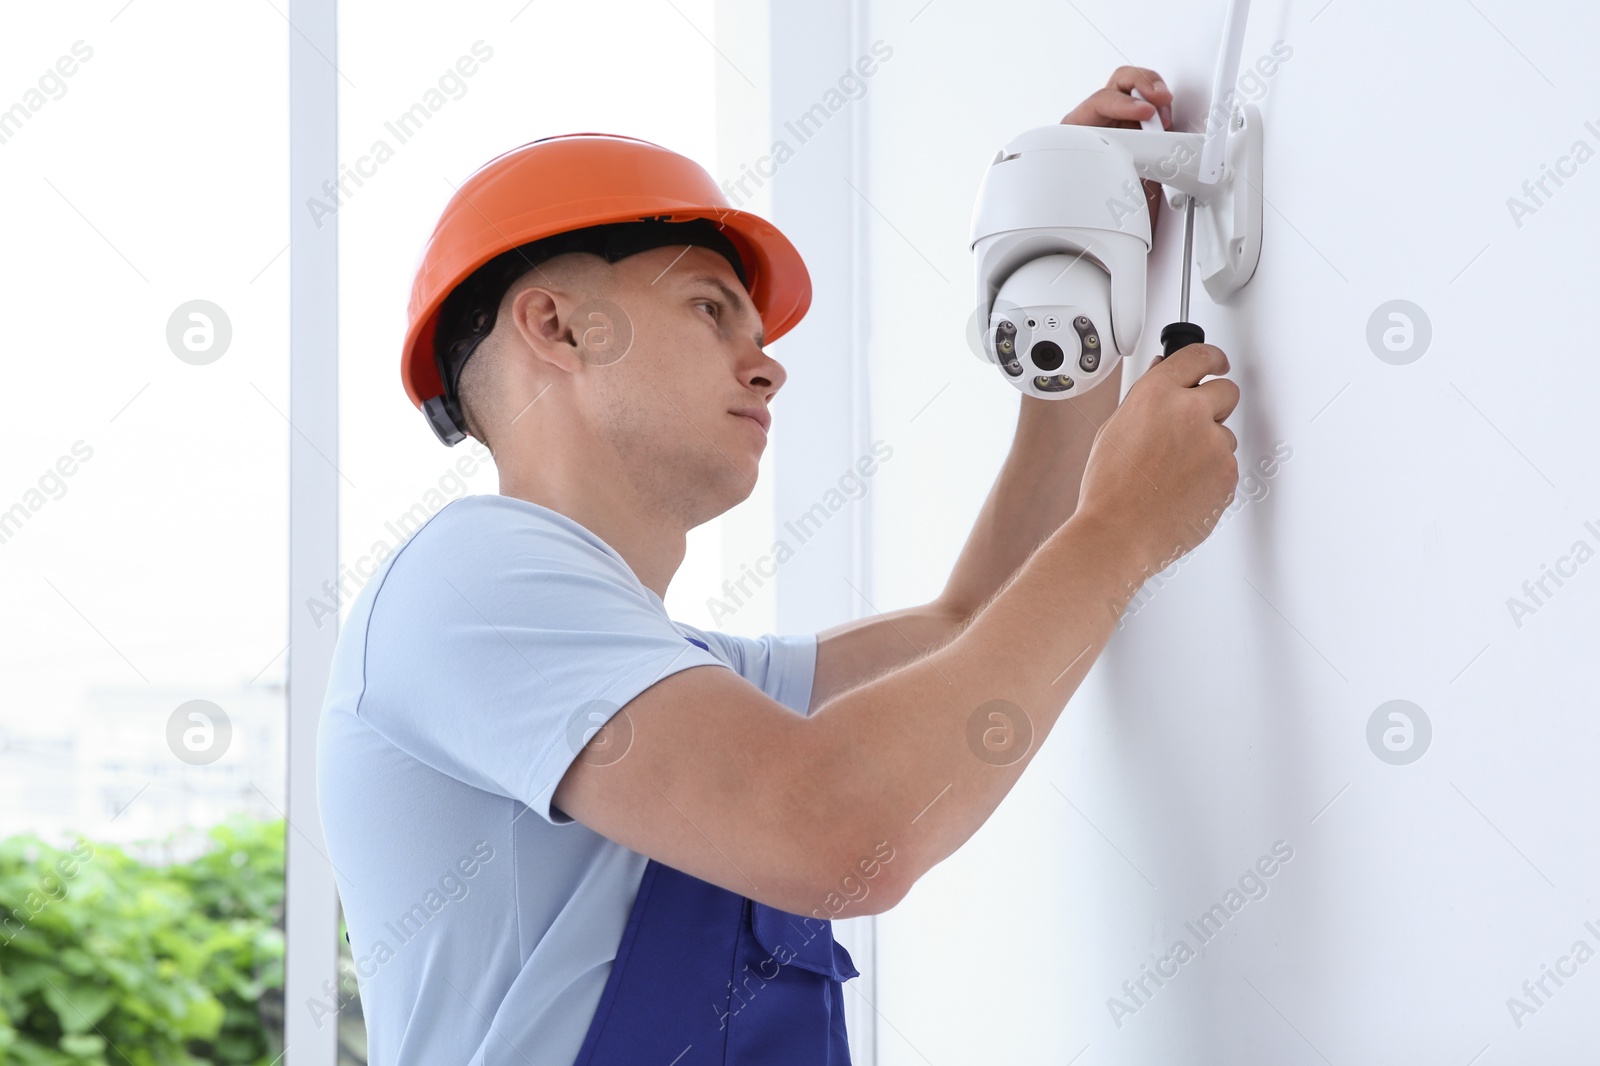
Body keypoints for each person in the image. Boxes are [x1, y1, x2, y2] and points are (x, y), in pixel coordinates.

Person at [316, 65, 1237, 1066]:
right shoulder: (469, 576)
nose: (768, 364)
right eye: (712, 310)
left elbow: (975, 626)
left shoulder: (670, 681)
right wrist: (1119, 532)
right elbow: (839, 827)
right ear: (557, 327)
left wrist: (1069, 270)